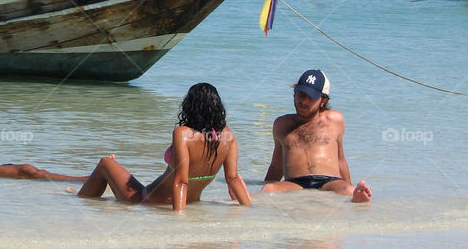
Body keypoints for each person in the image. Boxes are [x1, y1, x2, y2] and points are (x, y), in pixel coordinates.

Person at [76, 83, 251, 210]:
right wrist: (249, 210)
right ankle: (90, 200)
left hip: (149, 201)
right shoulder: (228, 136)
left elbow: (181, 181)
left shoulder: (183, 133)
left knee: (106, 163)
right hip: (191, 202)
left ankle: (79, 204)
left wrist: (178, 220)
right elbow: (233, 179)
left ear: (190, 107)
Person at [262, 69, 372, 202]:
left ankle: (357, 199)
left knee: (348, 190)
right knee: (268, 190)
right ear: (294, 93)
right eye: (301, 94)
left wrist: (350, 186)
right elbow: (276, 166)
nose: (304, 101)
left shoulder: (334, 120)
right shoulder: (281, 124)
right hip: (295, 182)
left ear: (323, 100)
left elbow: (340, 160)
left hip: (329, 181)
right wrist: (264, 190)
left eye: (311, 97)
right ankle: (242, 196)